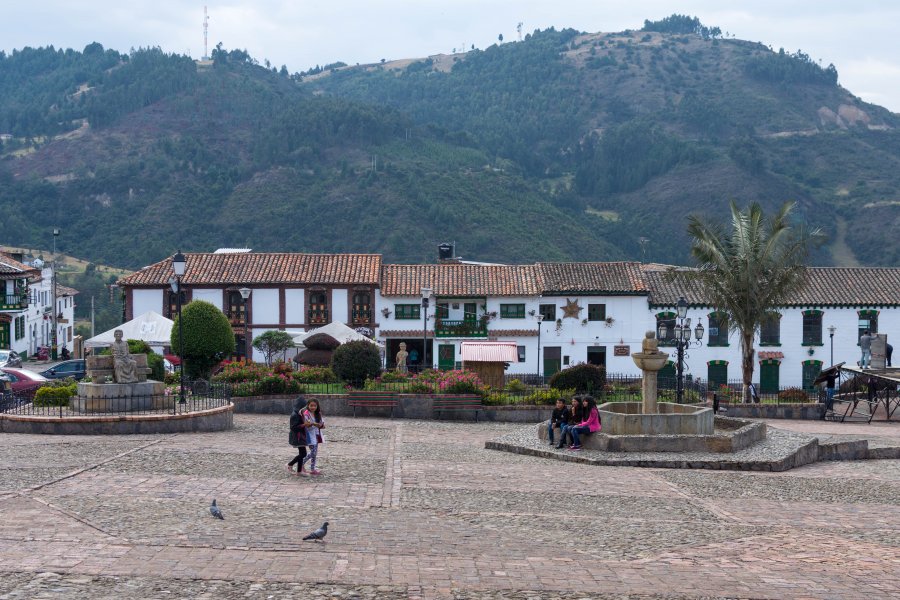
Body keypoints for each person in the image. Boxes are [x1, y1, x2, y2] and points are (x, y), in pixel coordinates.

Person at [300, 399, 326, 476]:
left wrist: (320, 425)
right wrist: (315, 424)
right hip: (309, 435)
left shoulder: (318, 413)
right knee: (313, 452)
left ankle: (312, 469)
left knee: (314, 453)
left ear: (317, 406)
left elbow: (322, 425)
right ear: (308, 405)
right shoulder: (306, 413)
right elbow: (307, 424)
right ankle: (301, 463)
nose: (313, 407)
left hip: (316, 434)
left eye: (314, 405)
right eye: (311, 405)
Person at [286, 397, 308, 476]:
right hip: (297, 437)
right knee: (303, 454)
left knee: (302, 453)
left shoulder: (299, 414)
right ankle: (290, 464)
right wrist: (303, 425)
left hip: (300, 436)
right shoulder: (295, 415)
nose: (305, 409)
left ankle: (299, 471)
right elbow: (293, 427)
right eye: (304, 408)